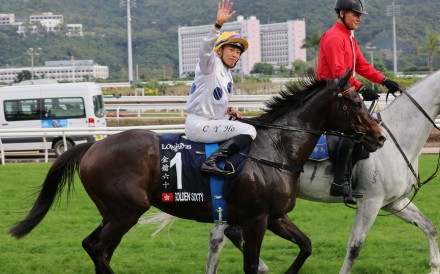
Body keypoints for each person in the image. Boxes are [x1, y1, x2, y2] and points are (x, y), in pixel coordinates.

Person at [317, 0, 400, 204]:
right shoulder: (334, 37)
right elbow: (338, 74)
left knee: (367, 127)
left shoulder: (349, 38)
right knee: (356, 130)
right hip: (329, 95)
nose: (358, 18)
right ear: (342, 13)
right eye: (355, 14)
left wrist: (384, 80)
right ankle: (339, 182)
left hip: (343, 93)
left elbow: (362, 66)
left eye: (360, 15)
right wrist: (362, 88)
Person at [184, 0, 256, 176]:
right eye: (231, 50)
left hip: (211, 122)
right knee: (249, 131)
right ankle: (212, 162)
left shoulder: (227, 73)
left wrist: (229, 109)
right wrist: (218, 25)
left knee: (249, 124)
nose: (235, 55)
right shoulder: (210, 65)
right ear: (219, 51)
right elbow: (204, 50)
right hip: (199, 125)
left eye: (238, 52)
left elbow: (213, 102)